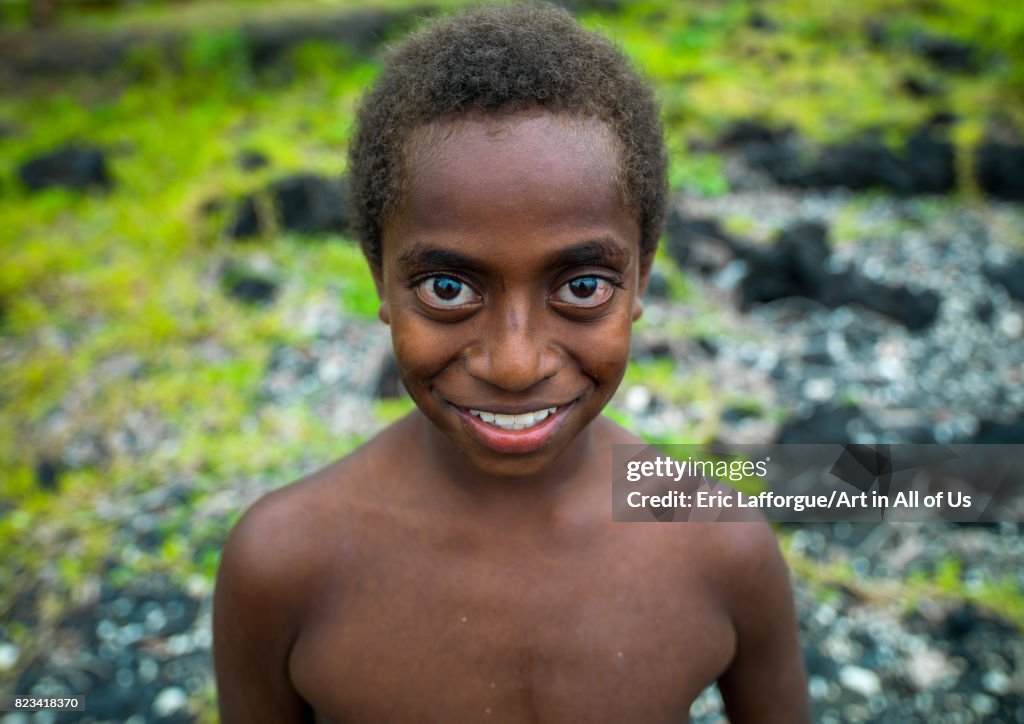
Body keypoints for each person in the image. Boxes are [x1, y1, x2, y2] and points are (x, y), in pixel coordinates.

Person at [212, 3, 809, 722]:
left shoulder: (723, 545)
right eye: (448, 288)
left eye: (583, 287)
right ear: (380, 282)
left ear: (641, 278)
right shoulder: (282, 565)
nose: (516, 363)